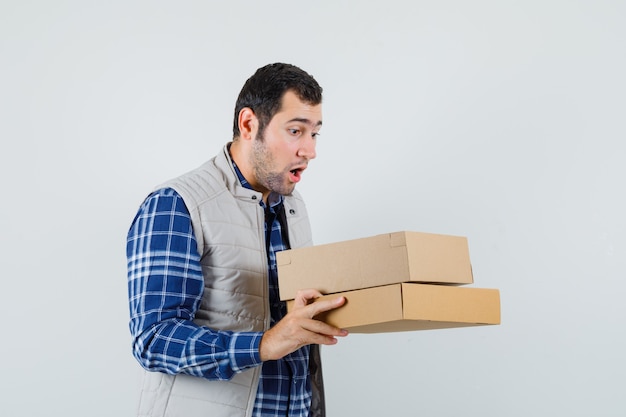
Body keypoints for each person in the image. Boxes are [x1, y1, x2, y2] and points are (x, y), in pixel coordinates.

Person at [126, 63, 348, 417]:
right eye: (295, 131)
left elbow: (292, 329)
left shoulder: (292, 205)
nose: (309, 150)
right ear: (249, 125)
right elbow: (154, 340)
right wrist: (263, 344)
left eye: (315, 134)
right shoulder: (177, 204)